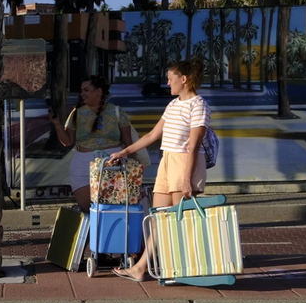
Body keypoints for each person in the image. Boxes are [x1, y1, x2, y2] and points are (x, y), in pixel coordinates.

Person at [107, 59, 210, 282]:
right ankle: (142, 268)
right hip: (167, 161)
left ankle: (185, 267)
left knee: (178, 219)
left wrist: (186, 180)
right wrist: (125, 152)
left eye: (170, 78)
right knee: (158, 219)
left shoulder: (198, 105)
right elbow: (152, 136)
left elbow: (193, 145)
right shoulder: (173, 105)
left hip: (185, 163)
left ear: (184, 79)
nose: (167, 82)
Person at [49, 74, 135, 212]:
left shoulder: (117, 112)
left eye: (86, 90)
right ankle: (91, 233)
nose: (82, 93)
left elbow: (129, 144)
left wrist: (132, 168)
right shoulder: (77, 113)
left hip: (112, 162)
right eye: (82, 90)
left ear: (98, 92)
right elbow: (67, 141)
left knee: (111, 206)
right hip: (83, 163)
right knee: (87, 206)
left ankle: (107, 232)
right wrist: (57, 124)